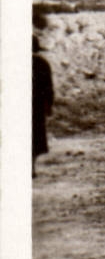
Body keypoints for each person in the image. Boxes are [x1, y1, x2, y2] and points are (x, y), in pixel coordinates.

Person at [33, 36, 55, 175]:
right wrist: (49, 104)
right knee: (36, 134)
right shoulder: (42, 63)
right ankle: (31, 166)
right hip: (37, 105)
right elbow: (48, 87)